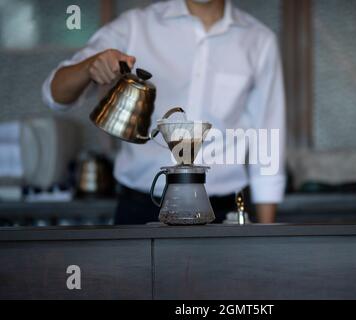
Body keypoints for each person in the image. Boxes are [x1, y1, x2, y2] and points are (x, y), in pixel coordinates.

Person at [42, 0, 286, 224]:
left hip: (225, 211)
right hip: (140, 206)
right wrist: (90, 66)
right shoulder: (135, 26)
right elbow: (54, 95)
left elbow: (268, 141)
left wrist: (267, 239)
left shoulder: (259, 40)